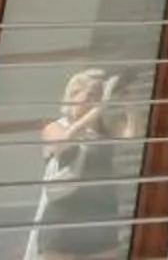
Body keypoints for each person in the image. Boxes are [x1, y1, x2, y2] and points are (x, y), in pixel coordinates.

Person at [27, 68, 138, 259]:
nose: (95, 100)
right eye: (90, 94)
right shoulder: (55, 127)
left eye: (98, 94)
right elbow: (61, 144)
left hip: (102, 214)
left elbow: (132, 135)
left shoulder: (106, 128)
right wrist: (100, 107)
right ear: (72, 96)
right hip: (64, 218)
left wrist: (130, 101)